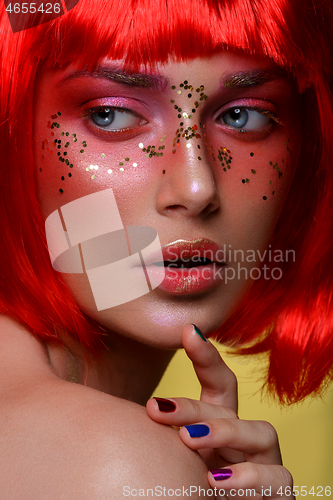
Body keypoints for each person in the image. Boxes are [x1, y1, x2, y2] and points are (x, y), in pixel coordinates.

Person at [0, 0, 332, 497]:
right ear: (11, 132)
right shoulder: (114, 462)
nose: (197, 188)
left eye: (243, 118)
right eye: (110, 116)